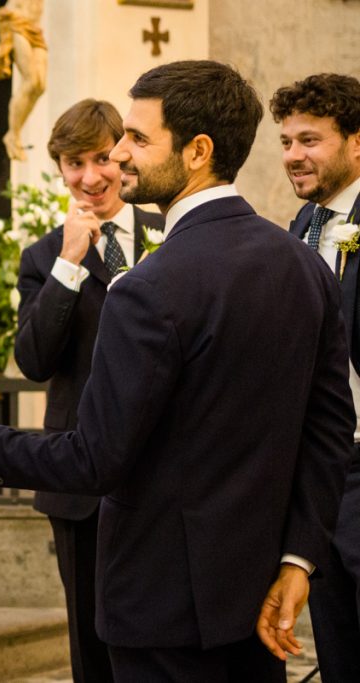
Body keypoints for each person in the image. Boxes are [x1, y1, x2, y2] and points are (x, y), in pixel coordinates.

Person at [0, 60, 354, 681]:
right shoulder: (304, 265)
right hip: (257, 591)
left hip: (161, 605)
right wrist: (298, 558)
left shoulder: (151, 286)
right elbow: (329, 430)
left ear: (198, 150)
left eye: (138, 139)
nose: (121, 154)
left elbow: (96, 460)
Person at [15, 98, 163, 683]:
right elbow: (33, 361)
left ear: (123, 154)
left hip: (161, 469)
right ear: (60, 169)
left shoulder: (167, 232)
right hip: (77, 481)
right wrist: (70, 265)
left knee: (159, 630)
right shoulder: (44, 256)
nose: (90, 176)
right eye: (74, 163)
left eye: (102, 158)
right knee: (91, 637)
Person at [271, 72, 360, 683]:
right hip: (321, 469)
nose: (294, 156)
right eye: (285, 142)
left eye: (310, 140)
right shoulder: (299, 228)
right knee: (337, 641)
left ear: (356, 143)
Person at [0, 0, 47, 161]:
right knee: (31, 80)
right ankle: (13, 134)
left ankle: (15, 132)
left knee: (40, 85)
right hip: (16, 20)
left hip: (34, 26)